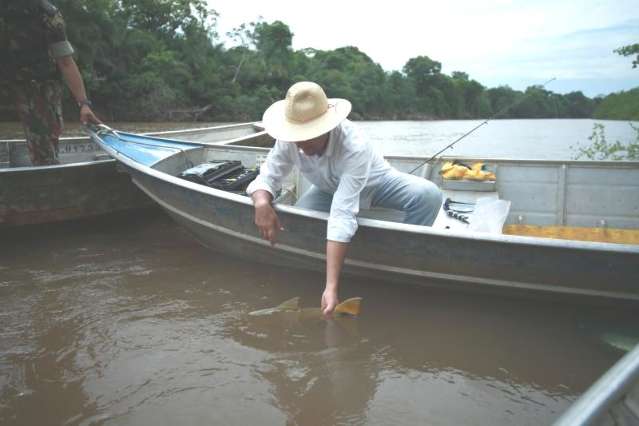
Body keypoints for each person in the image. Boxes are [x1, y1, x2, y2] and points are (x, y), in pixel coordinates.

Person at [246, 81, 442, 316]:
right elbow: (268, 176)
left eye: (308, 138)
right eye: (298, 138)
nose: (301, 145)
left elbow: (342, 215)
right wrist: (261, 202)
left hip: (376, 184)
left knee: (428, 195)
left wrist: (331, 287)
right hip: (326, 190)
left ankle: (404, 264)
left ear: (326, 128)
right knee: (298, 221)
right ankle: (316, 268)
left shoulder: (354, 145)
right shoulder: (290, 139)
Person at [1, 0, 101, 166]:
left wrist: (83, 104)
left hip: (38, 86)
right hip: (6, 80)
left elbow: (65, 62)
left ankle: (47, 177)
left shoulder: (47, 14)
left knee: (44, 151)